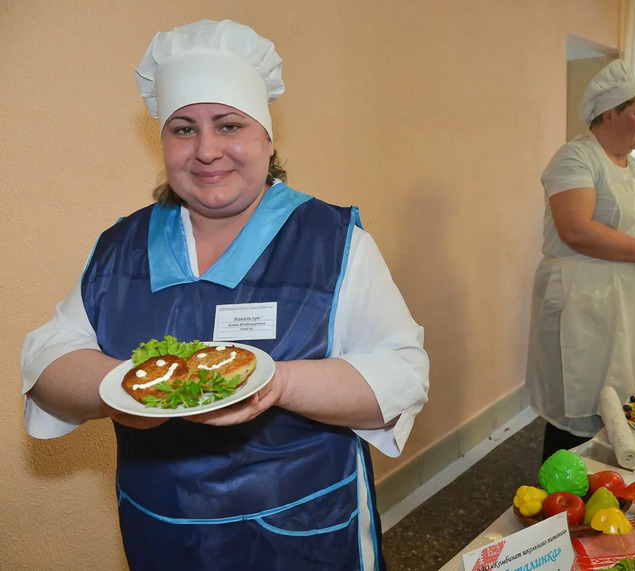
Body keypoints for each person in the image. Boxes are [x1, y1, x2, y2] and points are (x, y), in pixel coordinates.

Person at [20, 19, 429, 571]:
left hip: (302, 532)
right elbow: (47, 361)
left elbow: (403, 374)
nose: (207, 150)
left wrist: (279, 382)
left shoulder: (331, 241)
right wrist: (119, 389)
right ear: (162, 141)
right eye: (183, 129)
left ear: (267, 136)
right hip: (164, 533)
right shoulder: (120, 247)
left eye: (229, 124)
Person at [525, 60, 635, 462]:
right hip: (583, 303)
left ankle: (615, 487)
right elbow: (576, 229)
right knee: (579, 407)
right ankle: (560, 505)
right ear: (610, 113)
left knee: (623, 402)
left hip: (628, 304)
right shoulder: (575, 158)